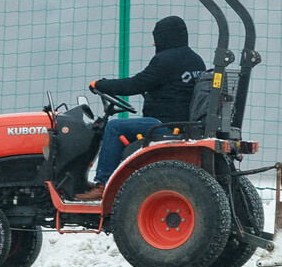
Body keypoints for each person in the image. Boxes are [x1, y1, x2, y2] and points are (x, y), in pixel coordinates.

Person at [76, 15, 206, 201]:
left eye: (156, 38)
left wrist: (101, 84)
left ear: (165, 37)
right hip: (182, 122)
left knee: (114, 127)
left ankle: (103, 183)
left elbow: (134, 85)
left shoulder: (166, 60)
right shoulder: (196, 60)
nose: (154, 44)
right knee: (122, 130)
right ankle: (115, 179)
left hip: (164, 124)